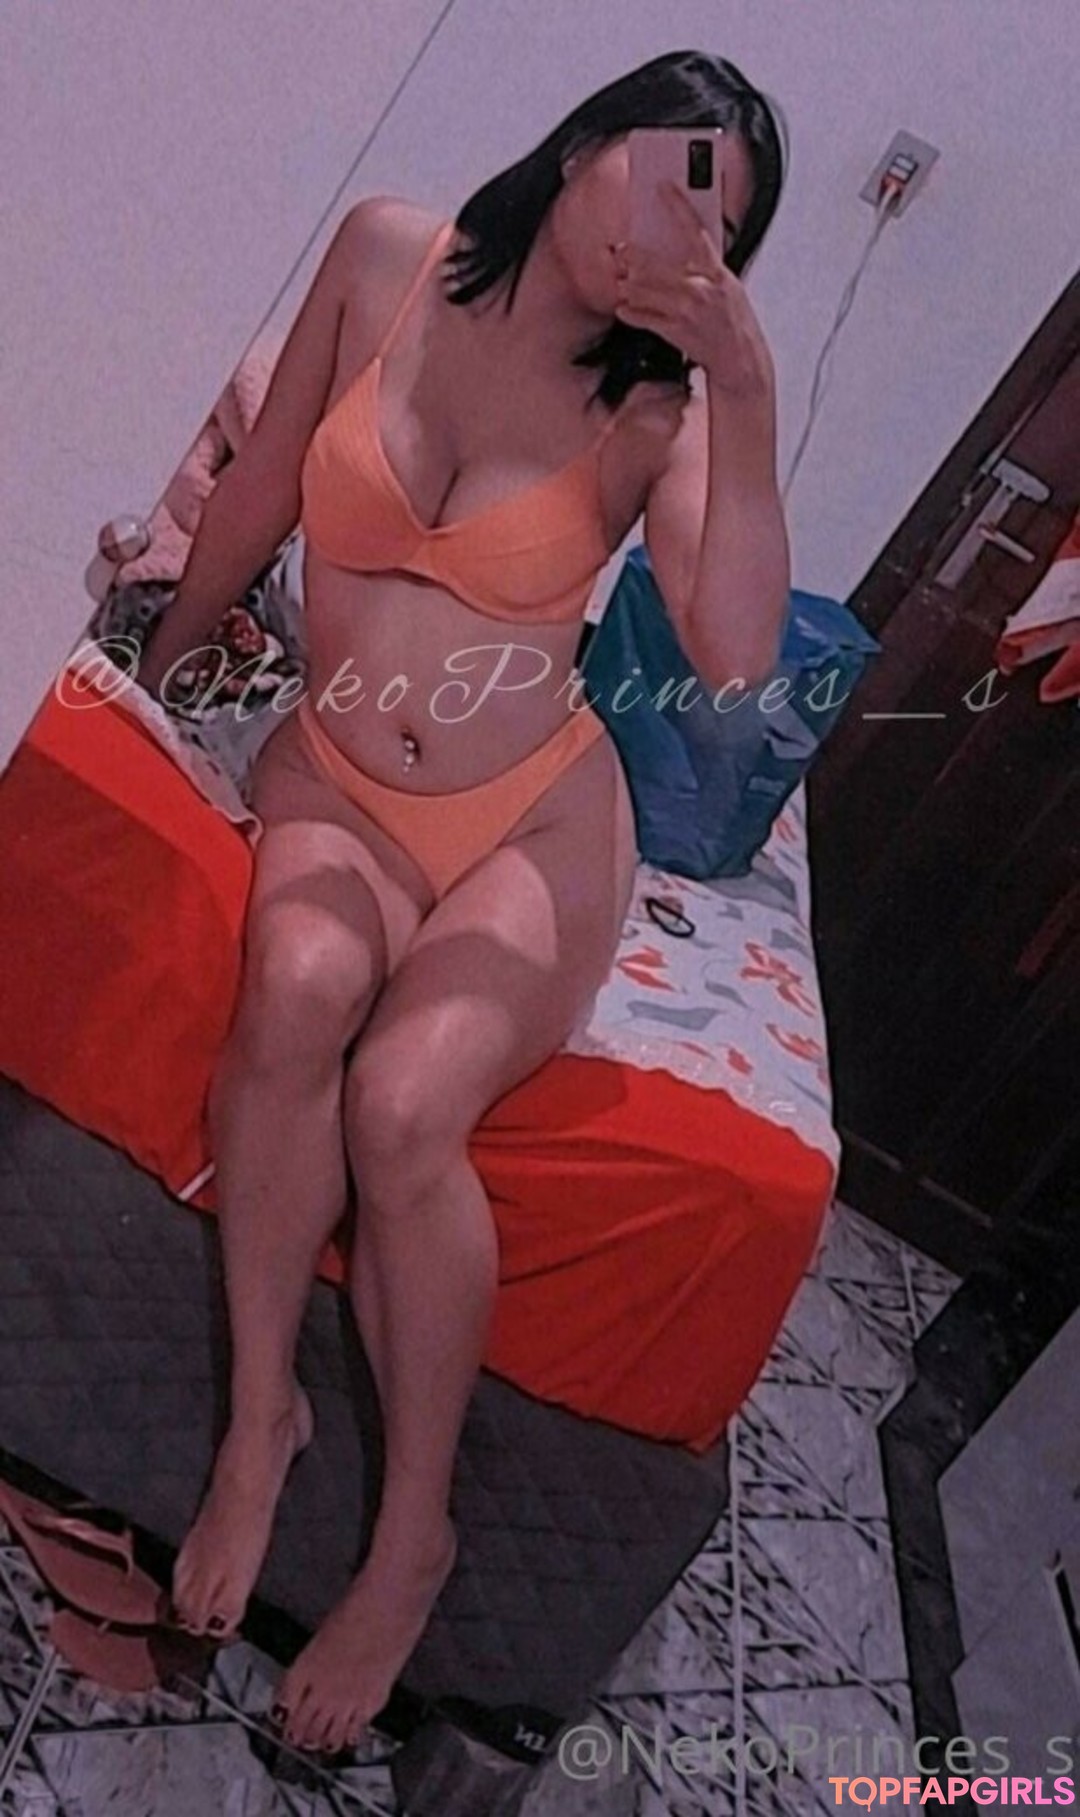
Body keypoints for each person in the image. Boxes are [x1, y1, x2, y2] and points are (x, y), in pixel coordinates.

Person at [138, 47, 790, 1757]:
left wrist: (745, 389)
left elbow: (734, 658)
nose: (670, 231)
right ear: (585, 144)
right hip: (339, 772)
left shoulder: (656, 414)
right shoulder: (382, 255)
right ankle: (262, 1419)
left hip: (529, 821)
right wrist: (168, 652)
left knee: (407, 1100)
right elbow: (264, 485)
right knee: (296, 981)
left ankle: (412, 1537)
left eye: (718, 226)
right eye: (667, 173)